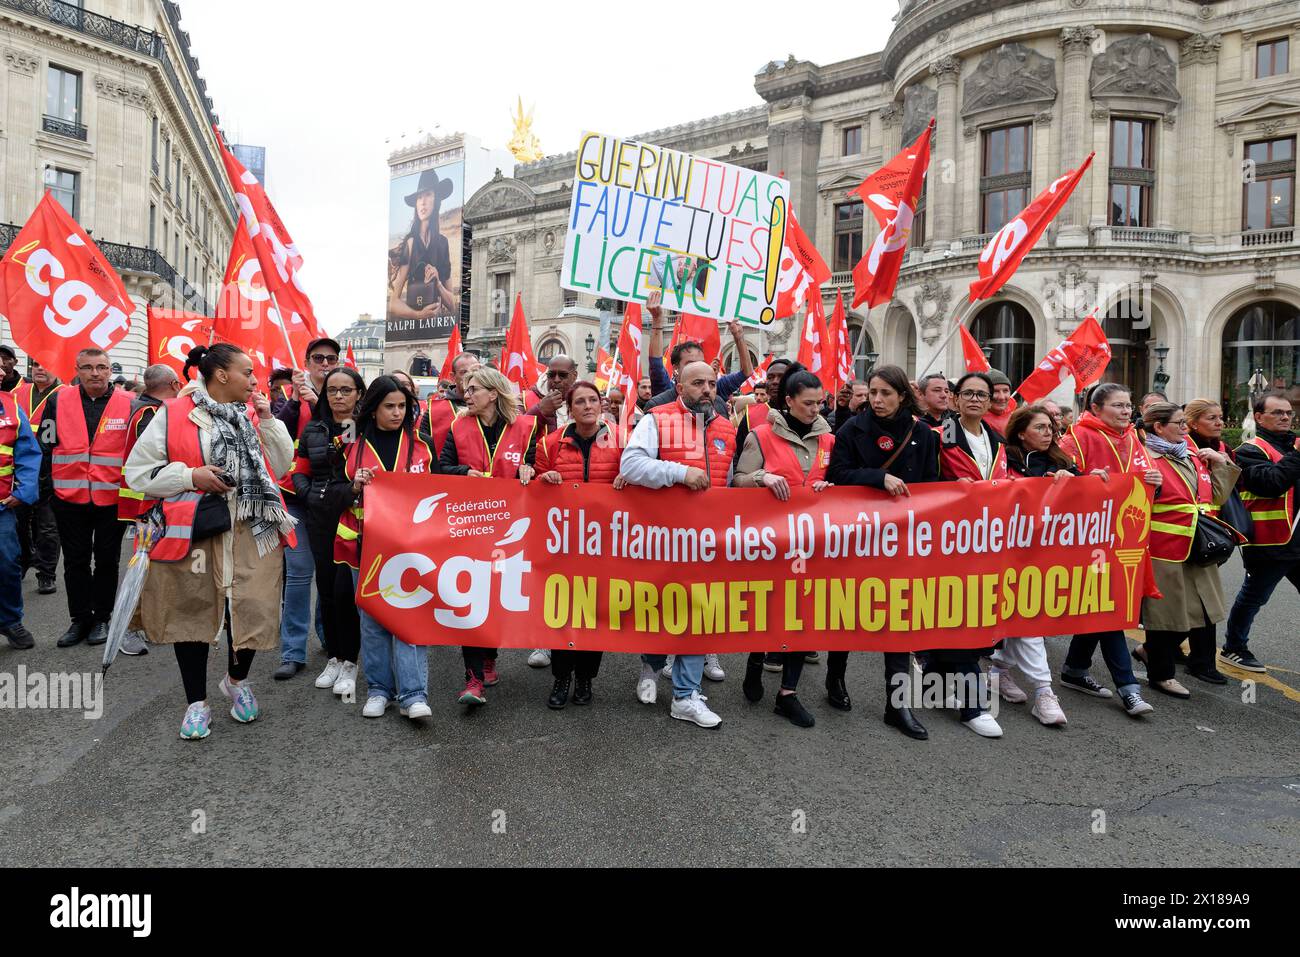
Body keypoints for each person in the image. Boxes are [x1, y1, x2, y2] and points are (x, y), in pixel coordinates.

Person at [124, 344, 296, 740]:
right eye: (247, 371)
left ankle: (236, 681)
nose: (255, 380)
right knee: (192, 612)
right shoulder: (173, 413)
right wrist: (190, 476)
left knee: (253, 607)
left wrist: (269, 423)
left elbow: (282, 467)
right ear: (221, 375)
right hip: (197, 530)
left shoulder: (254, 415)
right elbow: (138, 473)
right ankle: (196, 703)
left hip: (255, 529)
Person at [825, 364, 939, 740]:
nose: (876, 400)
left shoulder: (923, 434)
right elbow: (838, 473)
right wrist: (878, 477)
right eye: (872, 392)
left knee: (899, 618)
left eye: (885, 393)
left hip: (901, 539)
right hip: (857, 538)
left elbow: (933, 486)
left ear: (903, 396)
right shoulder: (850, 429)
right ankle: (835, 677)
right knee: (848, 609)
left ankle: (898, 703)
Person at [621, 359, 734, 728]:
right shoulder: (657, 419)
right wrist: (678, 473)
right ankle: (650, 671)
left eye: (712, 384)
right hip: (663, 540)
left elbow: (730, 484)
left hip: (707, 542)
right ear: (680, 387)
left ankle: (686, 695)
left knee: (699, 615)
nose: (707, 390)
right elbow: (631, 465)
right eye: (698, 383)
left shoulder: (727, 429)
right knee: (659, 610)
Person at [733, 362, 832, 728]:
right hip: (770, 542)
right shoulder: (760, 435)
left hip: (811, 544)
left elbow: (836, 482)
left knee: (802, 615)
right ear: (788, 401)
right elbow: (738, 481)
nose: (815, 410)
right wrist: (762, 476)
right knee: (768, 608)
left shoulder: (828, 439)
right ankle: (755, 660)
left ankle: (787, 694)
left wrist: (830, 487)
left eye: (820, 403)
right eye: (808, 403)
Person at [333, 376, 436, 721]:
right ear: (373, 408)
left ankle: (414, 694)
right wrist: (352, 487)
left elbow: (438, 494)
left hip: (411, 545)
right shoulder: (349, 445)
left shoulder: (423, 444)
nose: (396, 413)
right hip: (364, 544)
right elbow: (330, 491)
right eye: (389, 406)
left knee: (408, 616)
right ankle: (379, 690)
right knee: (373, 620)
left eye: (402, 406)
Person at [1000, 404, 1104, 727]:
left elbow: (1083, 493)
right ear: (1021, 432)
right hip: (1008, 552)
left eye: (1051, 428)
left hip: (1047, 555)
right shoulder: (1006, 459)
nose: (1049, 433)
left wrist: (1088, 480)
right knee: (1019, 618)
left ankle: (1004, 673)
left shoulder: (1061, 460)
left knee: (1028, 619)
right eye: (1041, 428)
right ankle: (1040, 690)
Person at [440, 367, 538, 705]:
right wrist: (464, 472)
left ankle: (489, 656)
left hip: (512, 528)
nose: (466, 395)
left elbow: (538, 463)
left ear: (494, 393)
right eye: (465, 390)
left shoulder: (527, 426)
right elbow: (440, 467)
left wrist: (531, 468)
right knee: (470, 598)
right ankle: (472, 680)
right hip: (470, 525)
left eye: (473, 389)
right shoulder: (458, 426)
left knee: (495, 599)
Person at [1058, 383, 1158, 716]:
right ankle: (1128, 689)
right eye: (1118, 405)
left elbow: (1142, 478)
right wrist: (1087, 479)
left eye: (1129, 405)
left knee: (1101, 607)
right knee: (1109, 609)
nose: (1127, 411)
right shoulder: (1076, 437)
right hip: (1087, 539)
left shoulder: (1133, 437)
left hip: (1124, 540)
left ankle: (1074, 668)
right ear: (1096, 408)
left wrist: (1153, 480)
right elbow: (1057, 482)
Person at [533, 380, 626, 708]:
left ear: (601, 404)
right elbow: (532, 489)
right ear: (568, 409)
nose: (588, 406)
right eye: (580, 402)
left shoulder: (621, 440)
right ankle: (562, 676)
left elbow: (639, 478)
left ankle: (586, 676)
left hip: (605, 543)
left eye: (593, 400)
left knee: (595, 613)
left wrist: (627, 479)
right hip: (564, 544)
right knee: (564, 613)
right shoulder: (550, 444)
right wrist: (544, 480)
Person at [1140, 402, 1239, 697]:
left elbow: (1217, 497)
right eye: (1179, 424)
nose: (1185, 429)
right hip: (1164, 548)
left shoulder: (1193, 455)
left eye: (1185, 423)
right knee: (1165, 618)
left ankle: (1148, 654)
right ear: (1158, 427)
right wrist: (1147, 485)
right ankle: (1161, 674)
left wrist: (1221, 464)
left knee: (1202, 613)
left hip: (1198, 546)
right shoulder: (1145, 458)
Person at [40, 348, 132, 649]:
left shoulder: (129, 403)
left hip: (112, 499)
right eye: (89, 367)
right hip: (69, 498)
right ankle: (79, 619)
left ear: (110, 370)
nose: (96, 373)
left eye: (102, 367)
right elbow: (46, 445)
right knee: (75, 561)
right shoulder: (57, 399)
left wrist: (136, 501)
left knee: (107, 560)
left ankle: (102, 618)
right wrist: (48, 492)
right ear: (77, 369)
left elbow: (137, 455)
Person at [934, 372, 1007, 738]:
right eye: (969, 394)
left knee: (970, 621)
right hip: (950, 543)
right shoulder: (941, 437)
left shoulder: (997, 440)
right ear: (955, 399)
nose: (976, 400)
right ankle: (973, 706)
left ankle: (938, 674)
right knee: (959, 621)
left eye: (983, 394)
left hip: (988, 543)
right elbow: (926, 482)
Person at [296, 367, 365, 700]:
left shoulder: (360, 427)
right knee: (325, 590)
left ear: (358, 394)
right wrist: (309, 495)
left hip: (354, 516)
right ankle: (335, 657)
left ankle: (351, 661)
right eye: (333, 390)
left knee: (345, 593)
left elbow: (346, 462)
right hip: (320, 516)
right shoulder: (314, 427)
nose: (339, 396)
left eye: (346, 390)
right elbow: (300, 469)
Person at [272, 338, 339, 679]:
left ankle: (329, 637)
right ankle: (292, 651)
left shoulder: (345, 394)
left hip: (331, 500)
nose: (324, 363)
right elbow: (276, 431)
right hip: (296, 497)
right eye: (318, 358)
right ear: (308, 361)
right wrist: (299, 401)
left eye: (330, 358)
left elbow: (352, 435)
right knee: (299, 574)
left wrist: (321, 407)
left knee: (330, 572)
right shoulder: (292, 397)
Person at [1222, 390, 1300, 673]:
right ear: (1258, 417)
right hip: (1269, 539)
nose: (1285, 417)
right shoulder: (1249, 450)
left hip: (1296, 538)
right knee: (1255, 595)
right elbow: (1271, 484)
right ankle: (1234, 647)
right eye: (1277, 412)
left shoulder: (1292, 447)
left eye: (1289, 413)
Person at [114, 363, 183, 657]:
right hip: (150, 502)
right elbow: (156, 459)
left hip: (152, 501)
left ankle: (147, 622)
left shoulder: (146, 408)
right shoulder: (151, 414)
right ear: (174, 383)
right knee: (143, 567)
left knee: (156, 565)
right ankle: (128, 628)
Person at [13, 360, 64, 595]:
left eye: (46, 364)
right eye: (36, 365)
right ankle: (24, 560)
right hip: (21, 469)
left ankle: (46, 574)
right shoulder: (18, 392)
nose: (40, 369)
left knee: (48, 527)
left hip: (51, 469)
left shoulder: (66, 395)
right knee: (18, 524)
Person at [0, 384, 41, 650]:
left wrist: (24, 491)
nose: (2, 372)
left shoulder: (11, 404)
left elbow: (27, 452)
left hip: (1, 506)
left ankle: (9, 620)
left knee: (6, 564)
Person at [389, 168, 456, 319]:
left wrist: (438, 283)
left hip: (437, 329)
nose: (423, 202)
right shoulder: (411, 244)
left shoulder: (442, 243)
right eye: (419, 197)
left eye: (428, 195)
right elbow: (393, 303)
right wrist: (418, 314)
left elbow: (452, 305)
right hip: (412, 331)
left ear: (436, 200)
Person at [419, 352, 476, 453]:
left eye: (475, 371)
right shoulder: (433, 412)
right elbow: (422, 450)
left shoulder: (490, 408)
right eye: (464, 372)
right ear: (453, 377)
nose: (470, 376)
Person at [526, 355, 578, 438]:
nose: (556, 380)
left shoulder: (586, 399)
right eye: (551, 375)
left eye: (563, 375)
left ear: (574, 376)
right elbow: (516, 434)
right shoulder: (525, 398)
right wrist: (540, 411)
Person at [984, 369, 1016, 437]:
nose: (1002, 397)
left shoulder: (1016, 416)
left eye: (1005, 391)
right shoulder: (976, 420)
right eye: (995, 391)